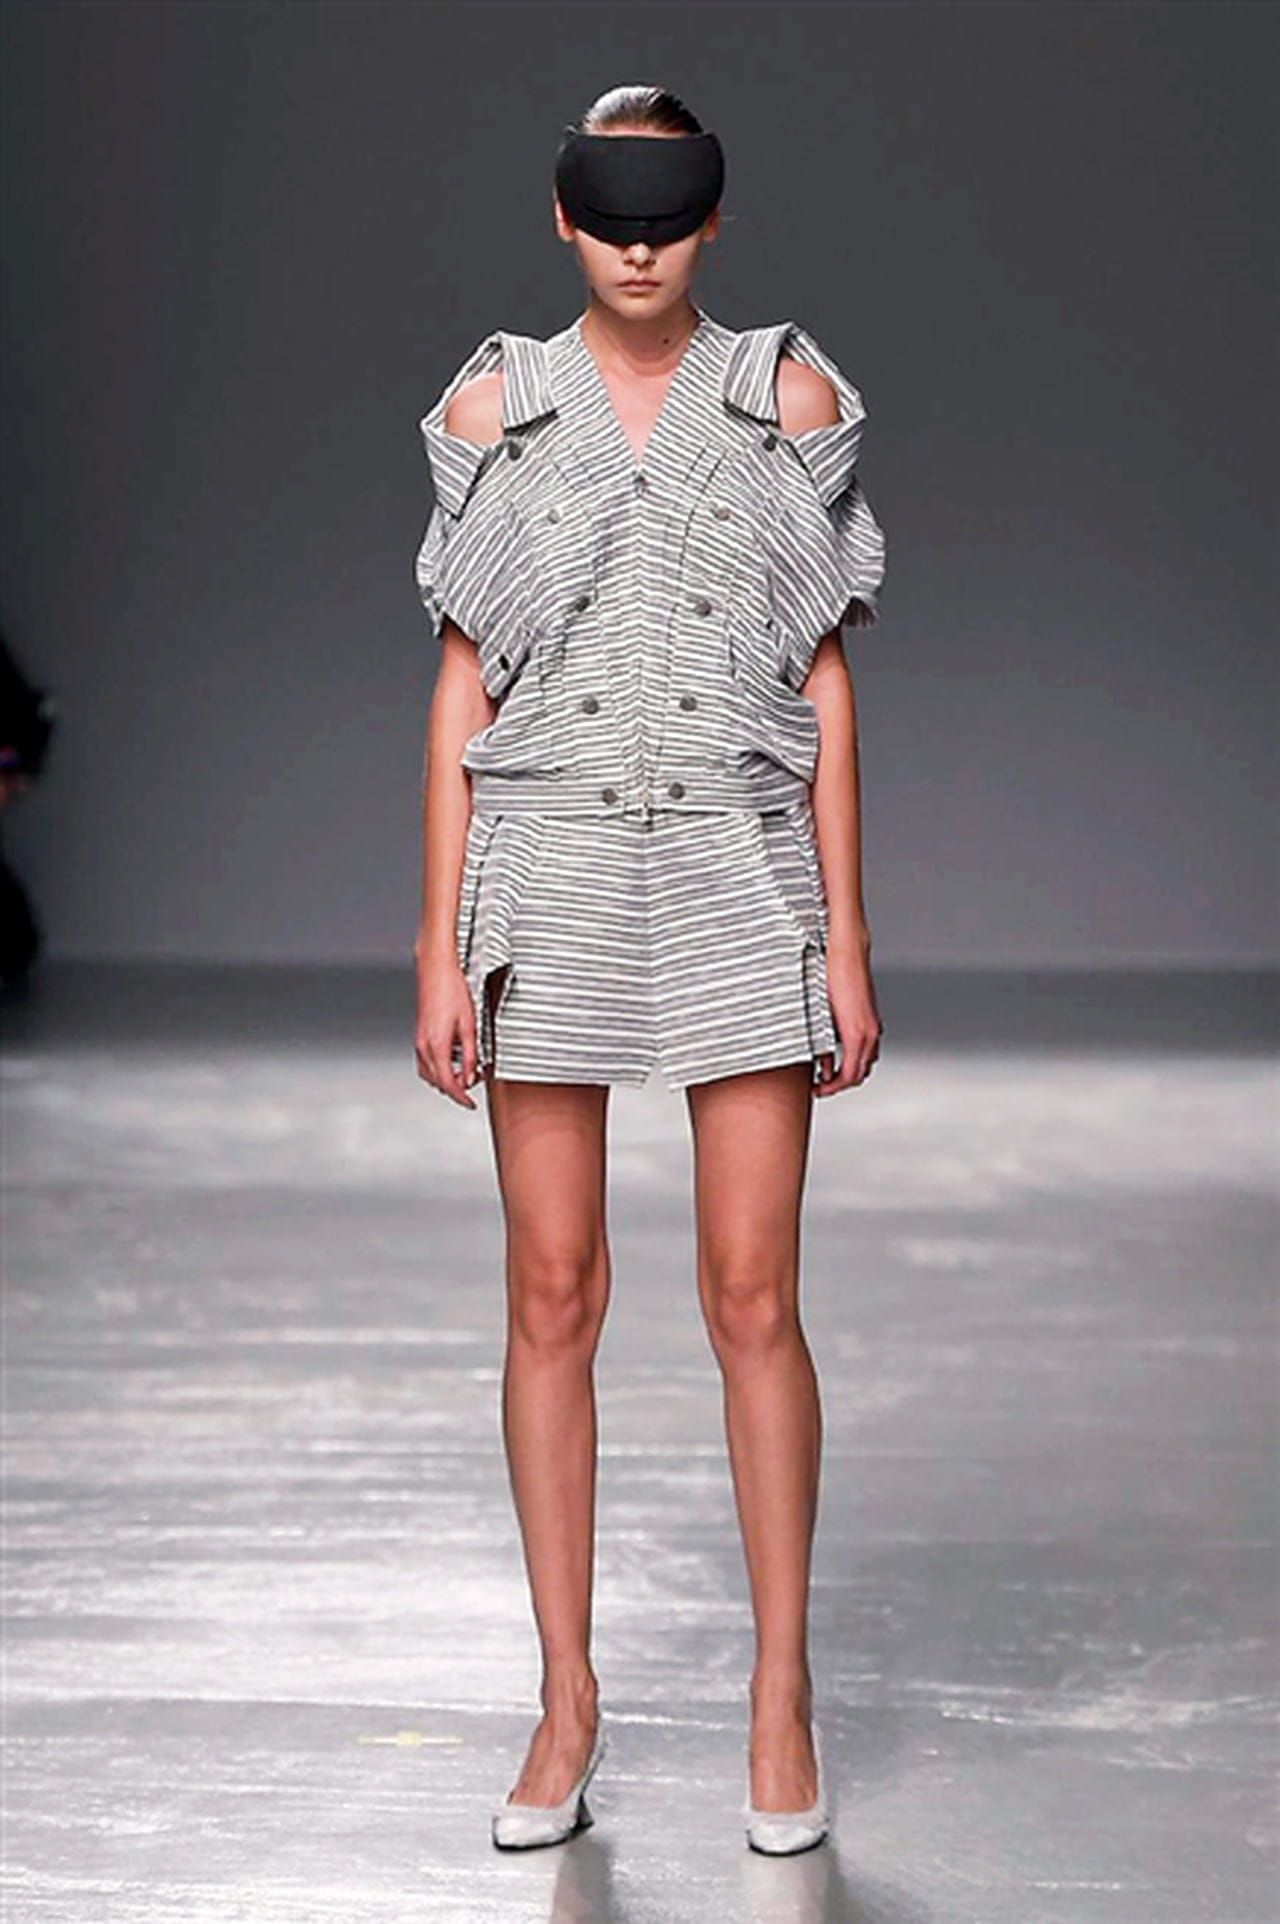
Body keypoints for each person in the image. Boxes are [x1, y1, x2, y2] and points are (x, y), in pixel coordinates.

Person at [412, 83, 886, 1856]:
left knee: (753, 1293)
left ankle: (781, 1696)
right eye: (608, 208)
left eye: (667, 208)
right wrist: (437, 943)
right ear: (561, 217)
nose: (636, 239)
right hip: (544, 869)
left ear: (712, 219)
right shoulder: (497, 408)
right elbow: (464, 683)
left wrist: (848, 935)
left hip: (736, 867)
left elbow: (822, 673)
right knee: (553, 1291)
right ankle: (567, 1700)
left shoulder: (783, 398)